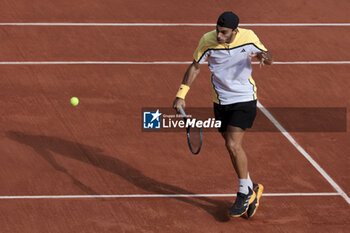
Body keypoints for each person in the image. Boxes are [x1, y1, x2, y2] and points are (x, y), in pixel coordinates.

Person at [173, 11, 273, 218]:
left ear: (235, 31)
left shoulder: (249, 37)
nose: (219, 36)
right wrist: (181, 93)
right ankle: (251, 187)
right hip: (220, 101)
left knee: (233, 145)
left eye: (224, 33)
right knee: (230, 144)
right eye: (218, 31)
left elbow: (268, 56)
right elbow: (195, 66)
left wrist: (264, 57)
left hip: (244, 99)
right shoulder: (207, 40)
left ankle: (243, 192)